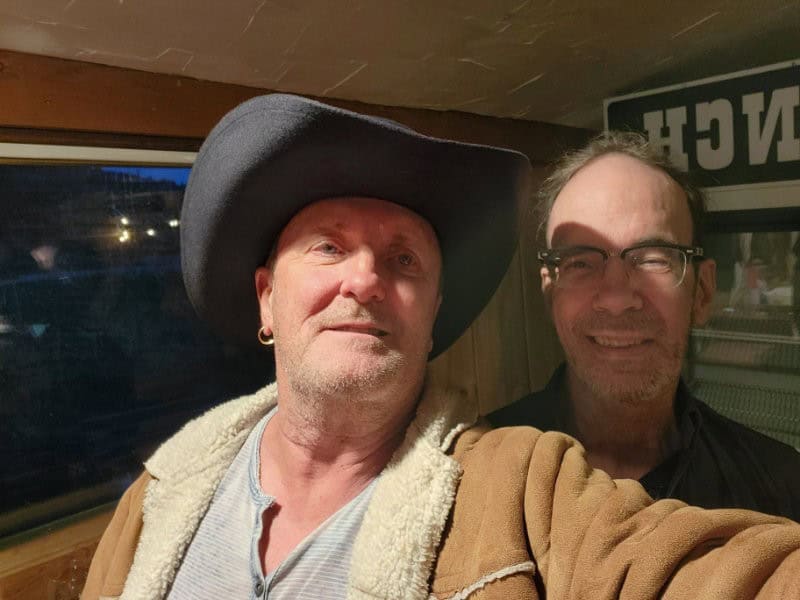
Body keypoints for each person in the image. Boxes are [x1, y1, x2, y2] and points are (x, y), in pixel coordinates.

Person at [83, 96, 800, 600]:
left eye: (403, 262)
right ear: (266, 295)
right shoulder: (160, 496)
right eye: (329, 246)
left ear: (432, 317)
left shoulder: (520, 483)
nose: (363, 278)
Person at [489, 131, 800, 520]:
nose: (617, 299)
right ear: (551, 291)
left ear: (702, 292)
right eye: (580, 262)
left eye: (654, 258)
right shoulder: (477, 471)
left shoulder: (783, 493)